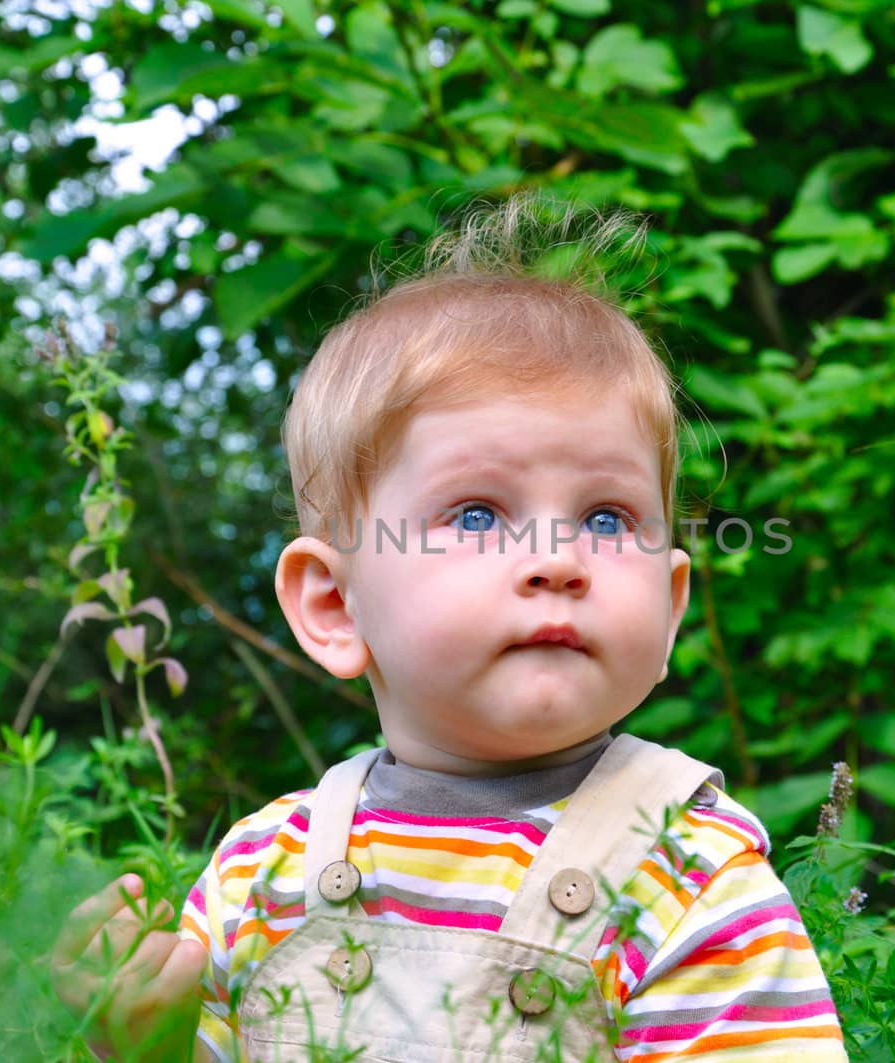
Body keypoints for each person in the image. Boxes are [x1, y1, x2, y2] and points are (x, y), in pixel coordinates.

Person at [52, 193, 849, 1061]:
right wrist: (149, 1046)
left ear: (670, 605)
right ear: (332, 604)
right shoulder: (261, 874)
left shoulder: (689, 874)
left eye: (610, 518)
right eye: (476, 515)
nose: (558, 559)